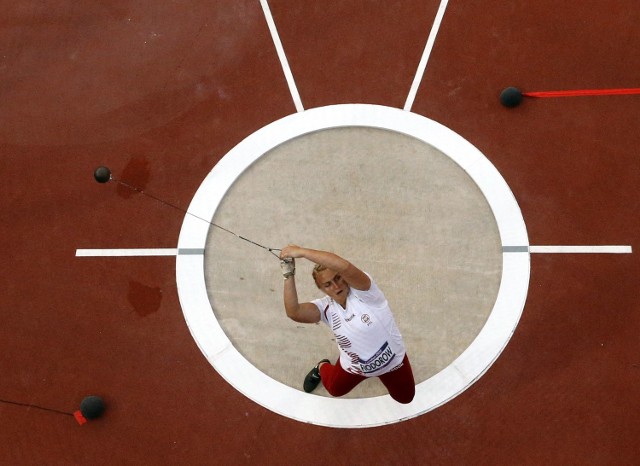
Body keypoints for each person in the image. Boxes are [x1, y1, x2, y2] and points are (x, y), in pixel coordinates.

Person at [279, 245, 415, 404]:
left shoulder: (365, 292)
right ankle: (322, 366)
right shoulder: (325, 308)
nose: (336, 286)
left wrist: (302, 252)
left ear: (344, 277)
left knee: (405, 398)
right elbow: (293, 312)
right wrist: (288, 274)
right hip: (354, 368)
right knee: (334, 389)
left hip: (393, 363)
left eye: (337, 278)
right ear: (322, 289)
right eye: (328, 284)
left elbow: (344, 266)